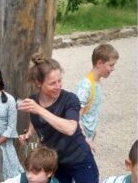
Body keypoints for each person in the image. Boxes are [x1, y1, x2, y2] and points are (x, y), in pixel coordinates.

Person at [18, 53, 98, 183]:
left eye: (59, 80)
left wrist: (39, 110)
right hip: (56, 163)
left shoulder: (70, 99)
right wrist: (28, 133)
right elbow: (35, 120)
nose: (58, 86)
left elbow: (71, 128)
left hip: (79, 159)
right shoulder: (33, 100)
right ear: (39, 83)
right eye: (52, 83)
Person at [75, 43, 118, 152]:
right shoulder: (86, 86)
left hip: (88, 137)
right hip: (81, 141)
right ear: (99, 63)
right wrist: (85, 139)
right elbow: (75, 116)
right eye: (111, 65)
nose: (113, 69)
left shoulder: (96, 82)